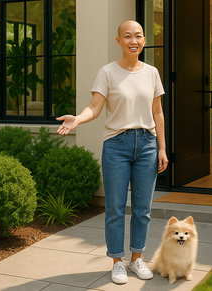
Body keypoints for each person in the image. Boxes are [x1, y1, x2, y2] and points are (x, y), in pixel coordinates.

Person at [56, 20, 169, 285]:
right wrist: (78, 119)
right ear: (118, 41)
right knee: (115, 208)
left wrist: (162, 147)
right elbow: (94, 107)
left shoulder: (152, 72)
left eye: (138, 36)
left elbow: (158, 112)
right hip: (116, 146)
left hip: (147, 144)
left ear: (143, 41)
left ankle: (137, 258)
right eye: (127, 36)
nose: (133, 40)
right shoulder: (107, 72)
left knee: (143, 209)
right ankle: (117, 262)